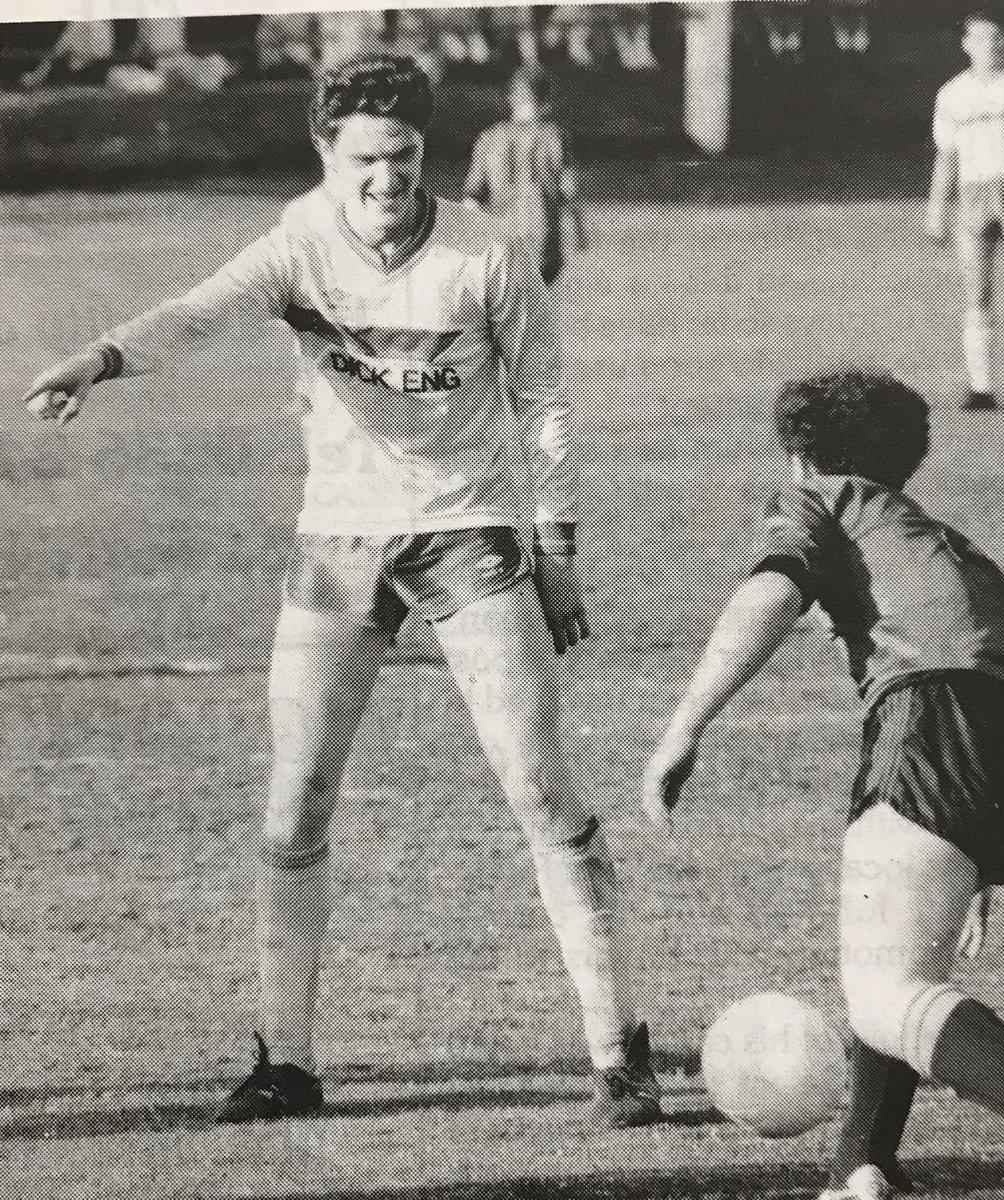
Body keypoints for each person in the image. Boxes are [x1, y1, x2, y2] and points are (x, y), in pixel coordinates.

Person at [23, 56, 660, 1132]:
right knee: (296, 801)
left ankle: (618, 1053)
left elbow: (543, 396)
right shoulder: (299, 239)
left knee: (540, 791)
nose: (386, 179)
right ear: (328, 155)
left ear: (428, 152)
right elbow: (200, 310)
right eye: (365, 158)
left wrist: (555, 544)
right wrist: (99, 357)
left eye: (404, 156)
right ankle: (287, 1062)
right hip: (340, 538)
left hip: (468, 533)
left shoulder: (487, 251)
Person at [642, 372, 1004, 1200]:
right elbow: (999, 667)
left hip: (938, 715)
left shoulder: (824, 499)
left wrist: (684, 725)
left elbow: (771, 592)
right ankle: (863, 1166)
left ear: (800, 456)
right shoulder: (937, 538)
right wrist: (976, 858)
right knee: (894, 962)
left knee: (884, 992)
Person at [927, 10, 1004, 410]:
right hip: (973, 195)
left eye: (998, 38)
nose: (992, 46)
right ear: (966, 44)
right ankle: (981, 387)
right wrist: (936, 207)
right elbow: (946, 155)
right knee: (976, 293)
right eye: (983, 39)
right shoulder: (952, 95)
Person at [463, 65, 587, 287]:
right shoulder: (555, 137)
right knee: (535, 314)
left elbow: (472, 199)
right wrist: (579, 231)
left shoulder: (489, 138)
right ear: (547, 103)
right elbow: (570, 191)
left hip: (502, 245)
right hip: (543, 246)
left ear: (511, 98)